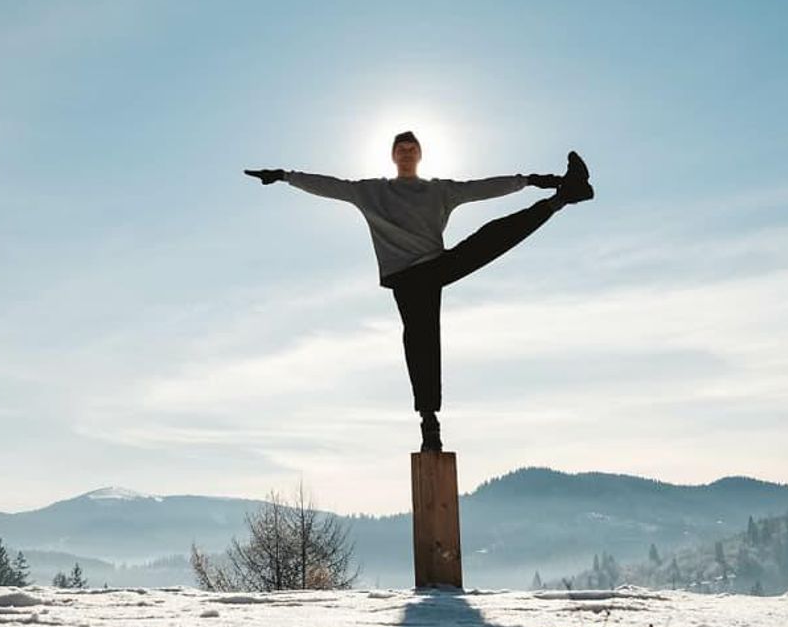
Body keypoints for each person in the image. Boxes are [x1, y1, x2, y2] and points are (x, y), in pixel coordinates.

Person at [245, 131, 593, 451]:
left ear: (421, 156)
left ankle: (563, 197)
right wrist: (284, 176)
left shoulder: (439, 191)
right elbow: (328, 185)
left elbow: (483, 187)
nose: (407, 153)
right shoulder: (370, 191)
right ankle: (429, 422)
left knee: (488, 239)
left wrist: (534, 181)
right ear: (393, 156)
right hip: (405, 278)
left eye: (412, 149)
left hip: (435, 267)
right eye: (402, 149)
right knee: (421, 339)